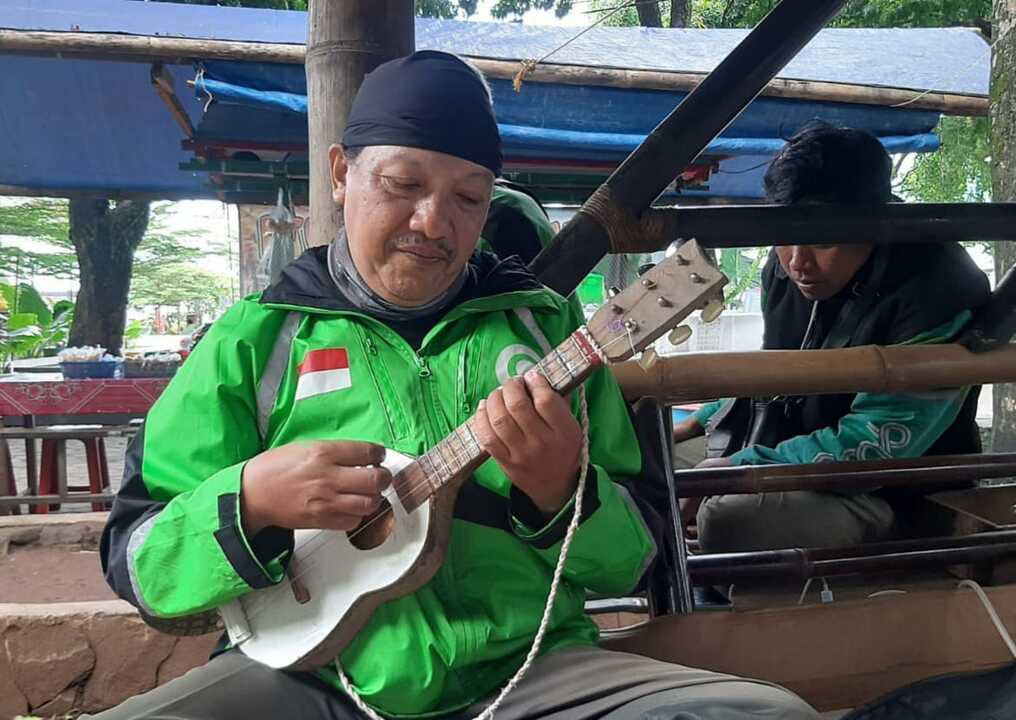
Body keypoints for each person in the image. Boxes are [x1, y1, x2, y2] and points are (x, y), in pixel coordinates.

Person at [93, 52, 818, 720]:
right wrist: (248, 501)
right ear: (341, 173)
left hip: (530, 674)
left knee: (766, 715)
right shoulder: (253, 340)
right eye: (403, 185)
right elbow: (140, 562)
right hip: (310, 678)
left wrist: (562, 493)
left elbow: (635, 557)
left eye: (468, 197)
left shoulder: (545, 330)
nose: (433, 222)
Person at [673, 121, 990, 554]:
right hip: (787, 449)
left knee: (727, 518)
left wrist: (737, 467)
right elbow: (777, 368)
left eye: (821, 241)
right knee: (654, 463)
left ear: (874, 222)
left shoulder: (939, 289)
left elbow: (874, 448)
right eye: (784, 237)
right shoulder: (786, 266)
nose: (797, 263)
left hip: (891, 495)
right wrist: (705, 417)